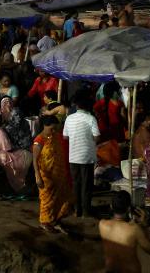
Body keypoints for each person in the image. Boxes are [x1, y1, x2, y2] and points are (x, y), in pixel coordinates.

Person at [64, 90, 102, 218]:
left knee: (76, 183)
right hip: (86, 156)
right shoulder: (91, 118)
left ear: (76, 105)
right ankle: (86, 211)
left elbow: (65, 137)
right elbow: (97, 137)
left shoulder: (69, 118)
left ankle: (77, 210)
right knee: (87, 184)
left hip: (73, 155)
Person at [33, 115, 72, 233]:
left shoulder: (56, 137)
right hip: (46, 175)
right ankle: (45, 222)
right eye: (52, 128)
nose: (54, 131)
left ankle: (54, 220)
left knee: (60, 198)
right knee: (47, 199)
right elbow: (35, 160)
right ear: (45, 126)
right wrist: (37, 176)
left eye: (56, 128)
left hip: (58, 174)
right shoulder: (39, 140)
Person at [99, 191, 150, 273]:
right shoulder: (134, 229)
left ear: (111, 206)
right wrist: (145, 225)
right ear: (129, 209)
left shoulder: (102, 224)